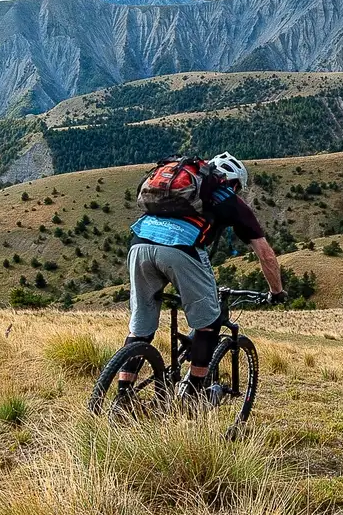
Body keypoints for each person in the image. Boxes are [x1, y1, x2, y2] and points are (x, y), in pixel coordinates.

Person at [121, 152, 284, 398]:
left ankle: (121, 397)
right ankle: (193, 395)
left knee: (140, 328)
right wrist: (277, 292)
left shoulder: (177, 189)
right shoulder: (228, 197)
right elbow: (266, 255)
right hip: (181, 249)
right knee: (208, 325)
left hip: (138, 245)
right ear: (234, 183)